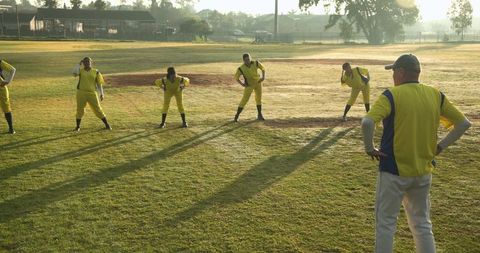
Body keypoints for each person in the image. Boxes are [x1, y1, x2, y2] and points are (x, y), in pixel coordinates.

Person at [361, 54, 471, 253]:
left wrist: (369, 148)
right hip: (422, 172)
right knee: (422, 224)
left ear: (401, 72)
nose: (393, 75)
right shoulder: (436, 95)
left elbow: (367, 122)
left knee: (385, 224)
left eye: (394, 71)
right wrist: (440, 146)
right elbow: (464, 123)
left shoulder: (392, 95)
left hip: (393, 171)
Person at [72, 57, 111, 131]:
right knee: (80, 110)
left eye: (88, 62)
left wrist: (102, 93)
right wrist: (78, 64)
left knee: (98, 109)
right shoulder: (80, 71)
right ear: (83, 63)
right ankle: (77, 127)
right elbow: (74, 74)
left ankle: (107, 125)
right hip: (81, 93)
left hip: (92, 93)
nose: (87, 63)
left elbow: (99, 84)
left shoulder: (96, 72)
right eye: (85, 62)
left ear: (91, 63)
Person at [233, 53, 266, 122]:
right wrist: (242, 84)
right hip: (249, 85)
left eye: (248, 59)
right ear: (243, 60)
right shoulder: (241, 68)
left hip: (258, 83)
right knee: (244, 100)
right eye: (246, 60)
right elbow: (236, 78)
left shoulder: (255, 63)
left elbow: (263, 68)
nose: (247, 61)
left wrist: (263, 77)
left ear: (250, 58)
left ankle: (259, 115)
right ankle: (237, 116)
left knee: (258, 99)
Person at [0, 59, 17, 134]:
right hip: (2, 89)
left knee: (6, 108)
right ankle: (11, 129)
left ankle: (11, 128)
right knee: (6, 108)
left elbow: (12, 69)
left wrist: (7, 81)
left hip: (1, 89)